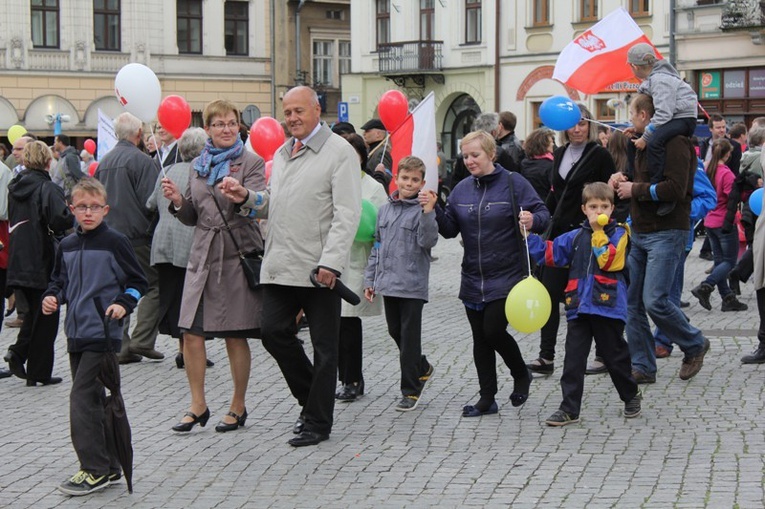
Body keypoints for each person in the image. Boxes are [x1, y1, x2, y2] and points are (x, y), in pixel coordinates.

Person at [220, 86, 361, 447]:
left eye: (299, 111)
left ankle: (317, 421)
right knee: (272, 332)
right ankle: (311, 399)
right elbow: (277, 202)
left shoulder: (339, 152)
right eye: (288, 112)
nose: (292, 118)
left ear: (317, 110)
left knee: (325, 347)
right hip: (281, 263)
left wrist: (331, 262)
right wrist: (248, 199)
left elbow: (347, 213)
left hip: (319, 270)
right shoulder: (284, 152)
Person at [161, 100, 266, 434]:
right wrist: (178, 202)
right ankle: (198, 404)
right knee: (191, 332)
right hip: (203, 255)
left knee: (235, 333)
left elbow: (260, 205)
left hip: (235, 254)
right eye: (218, 123)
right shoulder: (197, 166)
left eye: (231, 123)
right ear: (207, 129)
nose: (226, 129)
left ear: (239, 127)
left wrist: (241, 195)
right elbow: (194, 215)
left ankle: (238, 405)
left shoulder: (251, 161)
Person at [42, 179, 147, 496]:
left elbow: (138, 282)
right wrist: (52, 296)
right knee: (95, 400)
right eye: (82, 207)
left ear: (105, 209)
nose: (88, 213)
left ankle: (93, 469)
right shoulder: (67, 245)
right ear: (72, 210)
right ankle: (109, 465)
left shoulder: (115, 242)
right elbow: (58, 281)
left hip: (103, 333)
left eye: (94, 207)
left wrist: (122, 303)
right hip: (75, 333)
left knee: (81, 399)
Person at [435, 131, 549, 417]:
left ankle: (520, 372)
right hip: (473, 275)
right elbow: (449, 230)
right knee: (480, 340)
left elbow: (543, 214)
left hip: (508, 273)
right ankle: (487, 398)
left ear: (491, 154)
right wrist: (433, 208)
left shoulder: (513, 182)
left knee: (493, 330)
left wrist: (532, 219)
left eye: (476, 155)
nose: (470, 161)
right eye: (465, 156)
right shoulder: (460, 189)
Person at [525, 182, 640, 426]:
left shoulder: (620, 234)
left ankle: (630, 394)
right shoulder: (576, 236)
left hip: (608, 306)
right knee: (573, 360)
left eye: (605, 206)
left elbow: (610, 261)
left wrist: (599, 231)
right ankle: (569, 408)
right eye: (593, 206)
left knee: (614, 356)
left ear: (612, 209)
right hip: (578, 306)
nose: (599, 210)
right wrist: (528, 237)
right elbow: (551, 253)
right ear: (584, 209)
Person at [615, 93, 710, 384]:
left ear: (645, 115)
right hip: (642, 230)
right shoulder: (645, 144)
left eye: (632, 114)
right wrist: (620, 177)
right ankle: (643, 365)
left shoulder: (677, 143)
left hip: (668, 231)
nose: (630, 120)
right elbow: (639, 177)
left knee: (655, 300)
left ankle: (694, 343)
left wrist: (635, 190)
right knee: (633, 304)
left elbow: (675, 189)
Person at [528, 104, 616, 376]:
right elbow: (557, 193)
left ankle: (603, 355)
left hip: (587, 235)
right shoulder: (560, 152)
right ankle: (546, 357)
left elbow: (608, 197)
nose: (577, 129)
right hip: (559, 233)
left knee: (592, 294)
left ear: (589, 125)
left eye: (582, 124)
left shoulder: (599, 154)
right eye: (572, 125)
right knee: (550, 294)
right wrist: (539, 216)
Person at [364, 156, 438, 412]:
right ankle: (422, 366)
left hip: (412, 283)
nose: (409, 183)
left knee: (409, 338)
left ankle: (410, 389)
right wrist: (370, 279)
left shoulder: (422, 210)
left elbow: (428, 242)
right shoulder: (385, 209)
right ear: (396, 178)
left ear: (422, 183)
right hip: (388, 282)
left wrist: (428, 212)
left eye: (414, 180)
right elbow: (377, 245)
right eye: (405, 178)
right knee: (395, 332)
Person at [3, 141, 73, 385]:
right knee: (47, 316)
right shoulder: (47, 187)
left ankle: (19, 354)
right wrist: (71, 213)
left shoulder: (15, 187)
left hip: (19, 258)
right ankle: (38, 371)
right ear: (47, 160)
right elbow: (59, 219)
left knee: (34, 314)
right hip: (41, 258)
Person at [95, 112, 163, 364]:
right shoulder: (142, 161)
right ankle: (142, 340)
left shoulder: (104, 161)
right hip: (136, 236)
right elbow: (150, 202)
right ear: (138, 134)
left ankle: (121, 346)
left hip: (109, 236)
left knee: (118, 288)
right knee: (155, 285)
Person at [146, 127, 214, 370]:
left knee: (174, 297)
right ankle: (192, 352)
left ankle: (182, 350)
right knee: (193, 299)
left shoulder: (169, 170)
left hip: (164, 242)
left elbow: (150, 203)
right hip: (189, 243)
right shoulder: (202, 173)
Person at [335, 134, 388, 402]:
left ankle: (352, 379)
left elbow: (382, 225)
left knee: (349, 321)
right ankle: (344, 377)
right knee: (334, 323)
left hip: (358, 259)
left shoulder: (373, 188)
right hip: (333, 258)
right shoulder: (332, 180)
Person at [654, 156, 717, 358]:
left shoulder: (686, 156)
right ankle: (678, 325)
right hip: (644, 235)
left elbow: (708, 197)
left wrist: (679, 212)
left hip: (676, 237)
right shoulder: (643, 154)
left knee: (667, 292)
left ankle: (663, 340)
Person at [627, 42, 698, 217]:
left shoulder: (660, 80)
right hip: (677, 116)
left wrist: (646, 137)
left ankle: (658, 189)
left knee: (655, 142)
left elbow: (664, 114)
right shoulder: (655, 79)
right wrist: (638, 130)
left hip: (683, 118)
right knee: (651, 140)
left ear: (635, 66)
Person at [690, 139, 748, 312]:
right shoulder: (726, 174)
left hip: (709, 220)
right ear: (728, 154)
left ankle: (727, 298)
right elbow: (732, 197)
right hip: (724, 221)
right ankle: (705, 287)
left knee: (719, 261)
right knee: (729, 262)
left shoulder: (708, 169)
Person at [519, 127, 554, 202]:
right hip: (546, 205)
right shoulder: (550, 165)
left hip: (529, 203)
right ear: (543, 144)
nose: (553, 144)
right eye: (551, 142)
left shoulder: (524, 163)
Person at [360, 118, 393, 191]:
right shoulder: (368, 151)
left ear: (378, 134)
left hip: (377, 195)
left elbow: (386, 177)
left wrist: (379, 174)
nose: (364, 134)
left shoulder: (382, 153)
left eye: (367, 131)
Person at [51, 134, 85, 200]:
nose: (54, 144)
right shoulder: (64, 157)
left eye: (55, 142)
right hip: (63, 193)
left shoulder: (70, 157)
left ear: (60, 143)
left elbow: (78, 174)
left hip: (67, 195)